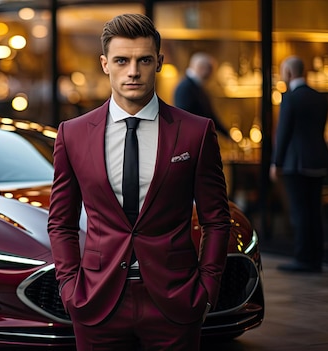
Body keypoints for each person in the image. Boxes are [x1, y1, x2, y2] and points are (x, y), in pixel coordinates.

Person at [47, 14, 231, 350]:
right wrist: (70, 289)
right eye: (122, 60)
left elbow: (216, 219)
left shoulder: (195, 131)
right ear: (105, 64)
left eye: (144, 60)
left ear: (158, 62)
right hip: (97, 303)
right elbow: (61, 222)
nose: (133, 71)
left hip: (175, 302)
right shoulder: (71, 134)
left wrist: (207, 290)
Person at [270, 55, 328, 273]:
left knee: (300, 212)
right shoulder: (320, 97)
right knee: (314, 211)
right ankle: (316, 257)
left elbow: (284, 133)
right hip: (319, 160)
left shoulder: (290, 98)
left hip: (296, 163)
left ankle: (303, 258)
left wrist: (276, 163)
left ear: (288, 73)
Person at [174, 52, 230, 138]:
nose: (211, 75)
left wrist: (227, 135)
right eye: (210, 69)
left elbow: (211, 117)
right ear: (201, 68)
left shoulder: (197, 87)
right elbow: (184, 120)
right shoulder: (185, 88)